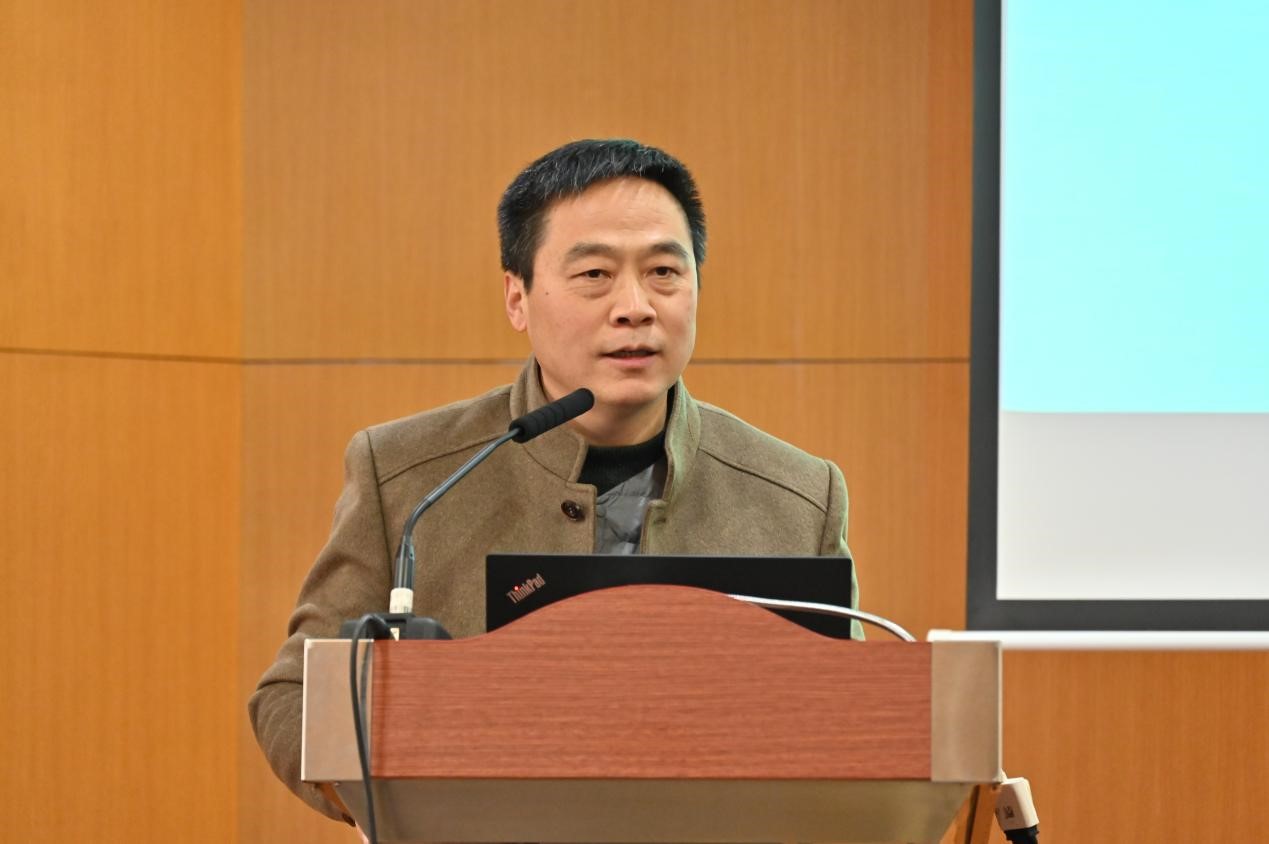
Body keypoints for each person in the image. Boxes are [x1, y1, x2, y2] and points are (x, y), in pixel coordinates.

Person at [249, 139, 861, 822]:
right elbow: (294, 697)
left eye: (664, 271)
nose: (635, 307)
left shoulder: (796, 495)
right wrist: (403, 802)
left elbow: (855, 730)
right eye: (594, 274)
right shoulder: (407, 476)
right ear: (517, 297)